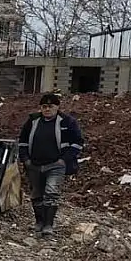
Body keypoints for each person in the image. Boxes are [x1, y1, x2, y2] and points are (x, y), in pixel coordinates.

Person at [18, 92, 84, 237]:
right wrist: (26, 159)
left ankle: (48, 225)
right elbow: (22, 141)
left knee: (51, 193)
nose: (47, 109)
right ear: (40, 108)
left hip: (55, 164)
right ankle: (39, 222)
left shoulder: (67, 122)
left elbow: (78, 142)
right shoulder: (32, 121)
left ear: (57, 107)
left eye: (50, 106)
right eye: (44, 106)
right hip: (34, 165)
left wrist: (64, 159)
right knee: (36, 194)